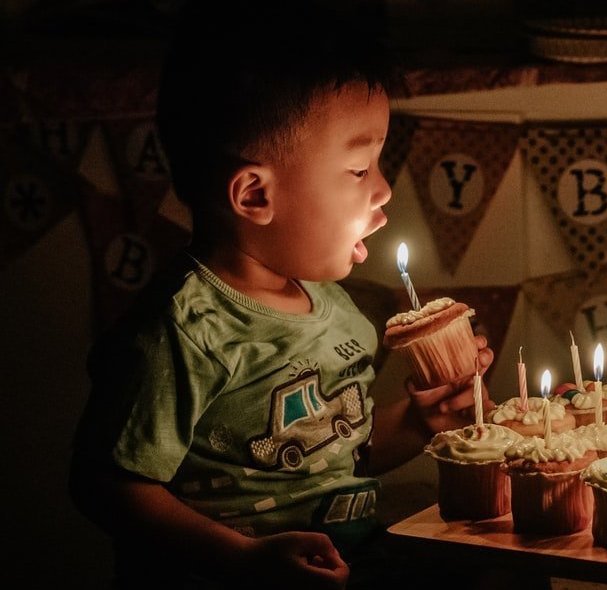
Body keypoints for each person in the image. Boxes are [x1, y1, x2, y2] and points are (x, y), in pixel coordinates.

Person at [68, 1, 494, 588]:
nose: (384, 189)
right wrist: (239, 558)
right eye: (359, 169)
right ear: (255, 196)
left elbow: (340, 453)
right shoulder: (184, 332)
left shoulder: (334, 307)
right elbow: (107, 485)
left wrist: (421, 423)